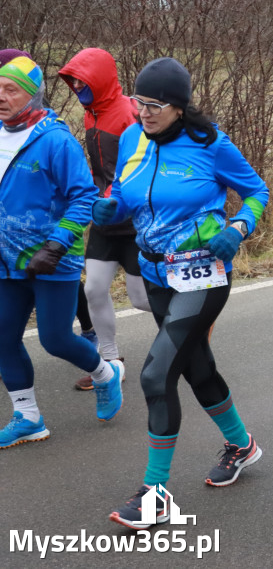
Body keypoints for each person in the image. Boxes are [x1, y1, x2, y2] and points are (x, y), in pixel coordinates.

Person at [100, 57, 269, 529]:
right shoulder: (133, 137)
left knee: (156, 377)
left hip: (202, 275)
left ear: (178, 107)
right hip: (155, 275)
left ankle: (155, 494)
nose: (144, 113)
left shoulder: (209, 143)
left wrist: (239, 225)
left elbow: (257, 191)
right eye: (138, 102)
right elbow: (124, 190)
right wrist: (111, 206)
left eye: (155, 105)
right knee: (196, 367)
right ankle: (242, 445)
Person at [0, 56, 125, 450]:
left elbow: (84, 197)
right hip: (6, 259)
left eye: (10, 89)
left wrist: (55, 247)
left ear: (32, 93)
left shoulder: (54, 139)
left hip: (52, 258)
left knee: (55, 339)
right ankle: (28, 418)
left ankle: (106, 375)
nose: (1, 97)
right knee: (3, 338)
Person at [59, 48, 152, 391]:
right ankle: (111, 362)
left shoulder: (129, 113)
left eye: (83, 81)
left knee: (142, 298)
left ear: (100, 78)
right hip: (103, 220)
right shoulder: (90, 114)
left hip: (133, 222)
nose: (78, 87)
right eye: (74, 82)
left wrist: (116, 197)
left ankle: (188, 332)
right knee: (94, 289)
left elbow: (139, 165)